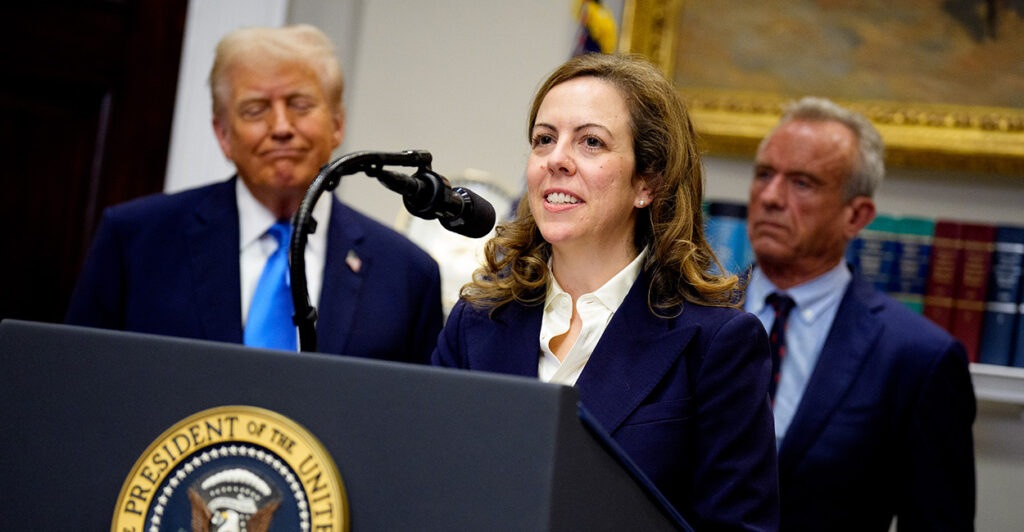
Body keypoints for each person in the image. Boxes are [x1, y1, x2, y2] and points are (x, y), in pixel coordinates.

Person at [432, 53, 779, 531]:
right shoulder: (476, 322)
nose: (556, 160)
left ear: (647, 182)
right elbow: (430, 490)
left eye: (591, 142)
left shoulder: (718, 343)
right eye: (544, 139)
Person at [66, 25, 443, 363]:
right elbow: (80, 380)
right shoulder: (136, 242)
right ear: (223, 134)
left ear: (337, 123)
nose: (281, 127)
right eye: (255, 109)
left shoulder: (407, 274)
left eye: (300, 105)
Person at [743, 97, 976, 531]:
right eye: (764, 175)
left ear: (856, 215)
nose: (771, 197)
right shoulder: (687, 315)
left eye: (802, 184)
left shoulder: (919, 358)